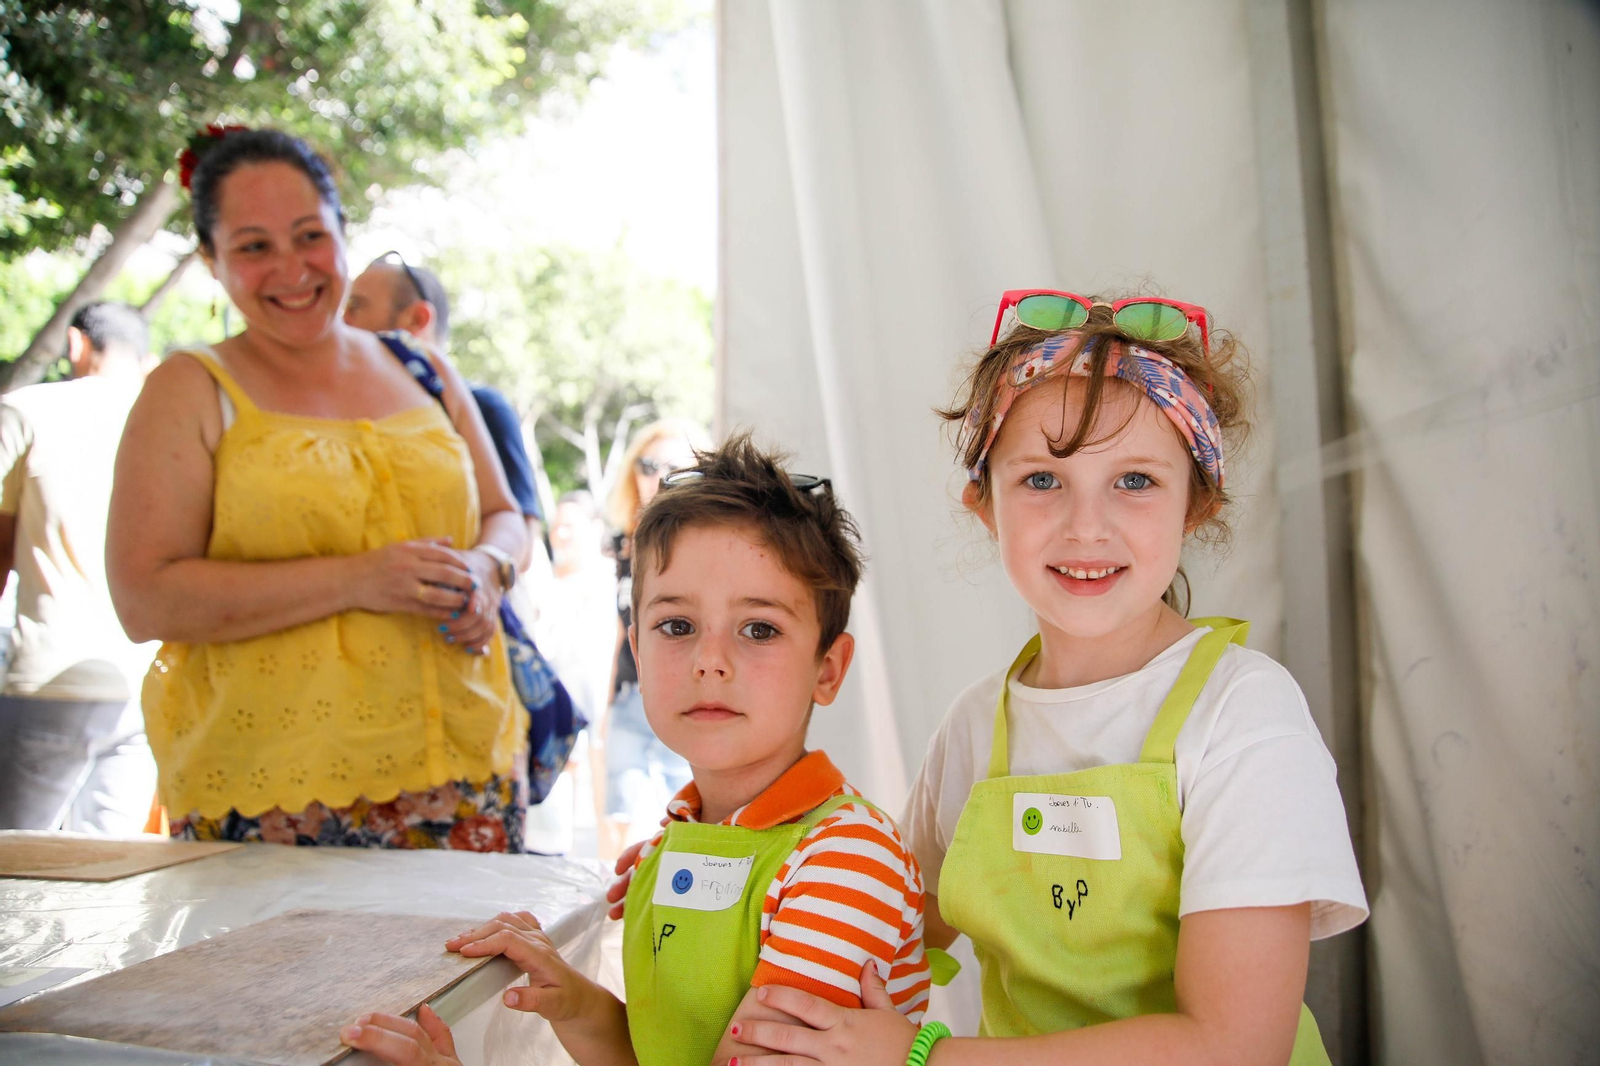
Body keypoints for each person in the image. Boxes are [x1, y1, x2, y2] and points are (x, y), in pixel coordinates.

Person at [730, 292, 1369, 1063]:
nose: (1086, 525)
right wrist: (722, 859)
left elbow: (1234, 1045)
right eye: (1041, 480)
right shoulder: (972, 729)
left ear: (1195, 502)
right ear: (984, 503)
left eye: (1135, 481)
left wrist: (922, 1056)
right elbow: (884, 925)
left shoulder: (1244, 714)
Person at [342, 434, 932, 1066]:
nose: (710, 661)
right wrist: (577, 1002)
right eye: (676, 626)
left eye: (759, 629)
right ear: (637, 651)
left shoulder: (846, 860)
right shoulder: (667, 846)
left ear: (828, 670)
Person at [106, 127, 529, 850]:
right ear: (211, 261)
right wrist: (357, 579)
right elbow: (145, 598)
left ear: (342, 234)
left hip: (464, 769)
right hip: (271, 797)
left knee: (461, 967)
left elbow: (504, 515)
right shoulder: (190, 389)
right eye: (253, 246)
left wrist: (487, 571)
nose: (291, 269)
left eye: (309, 236)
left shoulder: (422, 369)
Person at [0, 302, 160, 834]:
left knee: (17, 874)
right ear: (145, 358)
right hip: (145, 684)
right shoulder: (169, 421)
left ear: (76, 344)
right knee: (109, 877)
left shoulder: (28, 410)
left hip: (50, 678)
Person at [345, 253, 547, 565]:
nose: (342, 321)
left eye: (356, 306)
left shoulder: (484, 407)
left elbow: (523, 539)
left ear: (417, 319)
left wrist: (482, 574)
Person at [598, 418, 706, 857]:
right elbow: (617, 632)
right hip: (629, 697)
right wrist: (605, 707)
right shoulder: (620, 543)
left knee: (677, 817)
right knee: (620, 814)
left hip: (684, 696)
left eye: (673, 466)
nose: (657, 476)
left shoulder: (703, 543)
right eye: (647, 464)